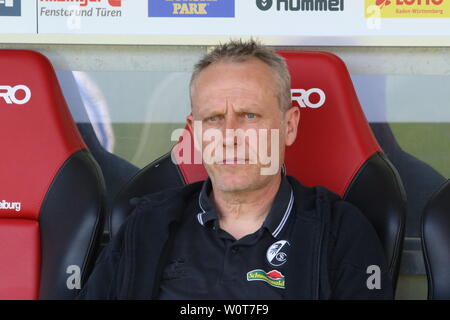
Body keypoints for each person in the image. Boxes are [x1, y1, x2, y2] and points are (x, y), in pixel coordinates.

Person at [78, 39, 393, 300]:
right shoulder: (147, 224)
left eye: (250, 116)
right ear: (195, 131)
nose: (230, 136)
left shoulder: (340, 231)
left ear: (289, 125)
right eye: (213, 118)